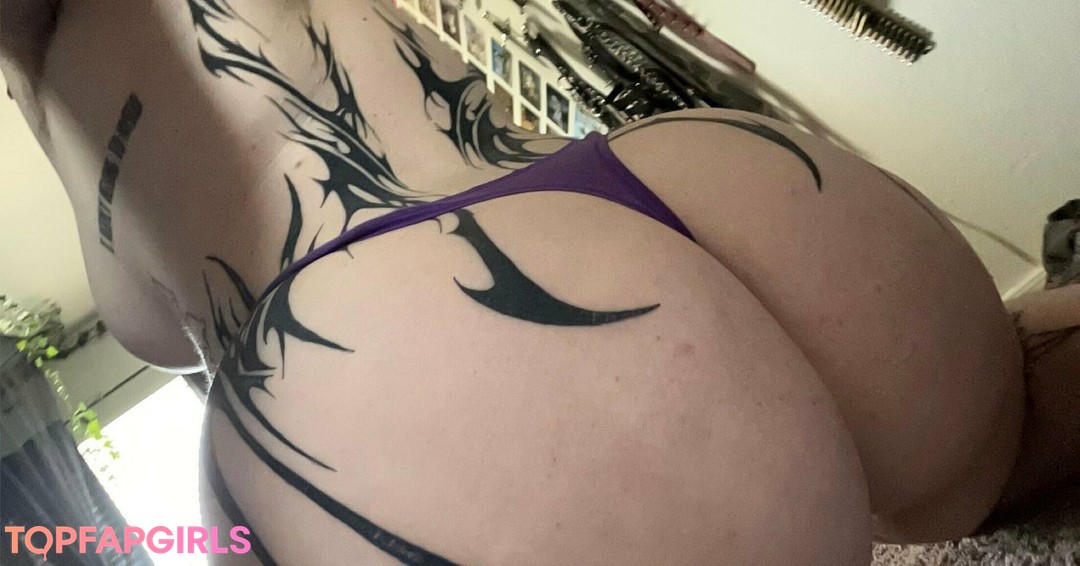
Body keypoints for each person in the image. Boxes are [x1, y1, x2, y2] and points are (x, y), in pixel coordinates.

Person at [2, 0, 1077, 564]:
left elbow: (153, 321)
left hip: (395, 332)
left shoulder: (49, 70)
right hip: (694, 173)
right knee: (1010, 446)